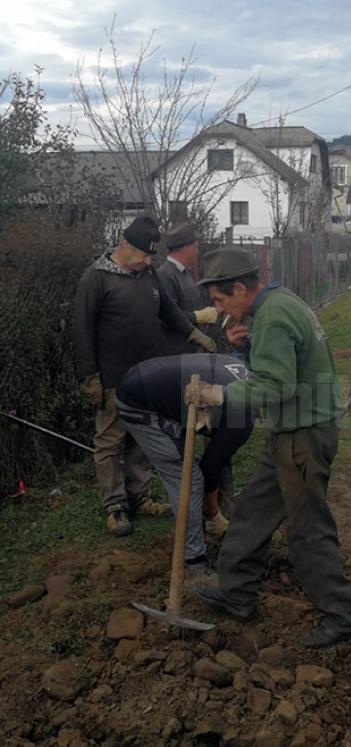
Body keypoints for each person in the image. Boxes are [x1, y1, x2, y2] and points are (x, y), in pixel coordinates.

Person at [184, 247, 351, 649]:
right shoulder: (279, 303)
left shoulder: (273, 316)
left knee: (307, 529)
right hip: (289, 432)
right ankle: (237, 594)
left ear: (239, 288)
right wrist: (244, 348)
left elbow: (276, 385)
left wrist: (218, 394)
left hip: (303, 436)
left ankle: (344, 615)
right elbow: (279, 367)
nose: (218, 309)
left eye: (218, 300)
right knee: (251, 512)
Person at [73, 215, 215, 537]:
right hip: (112, 377)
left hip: (146, 376)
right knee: (110, 441)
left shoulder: (148, 274)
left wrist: (194, 333)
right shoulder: (96, 278)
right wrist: (89, 376)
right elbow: (82, 330)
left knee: (141, 438)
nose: (147, 261)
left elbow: (169, 311)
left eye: (151, 256)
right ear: (125, 245)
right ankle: (114, 506)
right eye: (142, 255)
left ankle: (139, 496)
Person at [116, 354, 253, 579]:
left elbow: (219, 460)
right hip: (139, 403)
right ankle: (194, 561)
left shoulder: (243, 371)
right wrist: (214, 516)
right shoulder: (243, 420)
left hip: (155, 385)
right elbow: (210, 468)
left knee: (212, 462)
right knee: (188, 478)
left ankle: (215, 528)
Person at [156, 223, 220, 354]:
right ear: (185, 247)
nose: (197, 252)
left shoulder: (184, 273)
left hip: (191, 350)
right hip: (175, 353)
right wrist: (197, 316)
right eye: (195, 247)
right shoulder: (165, 275)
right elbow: (165, 316)